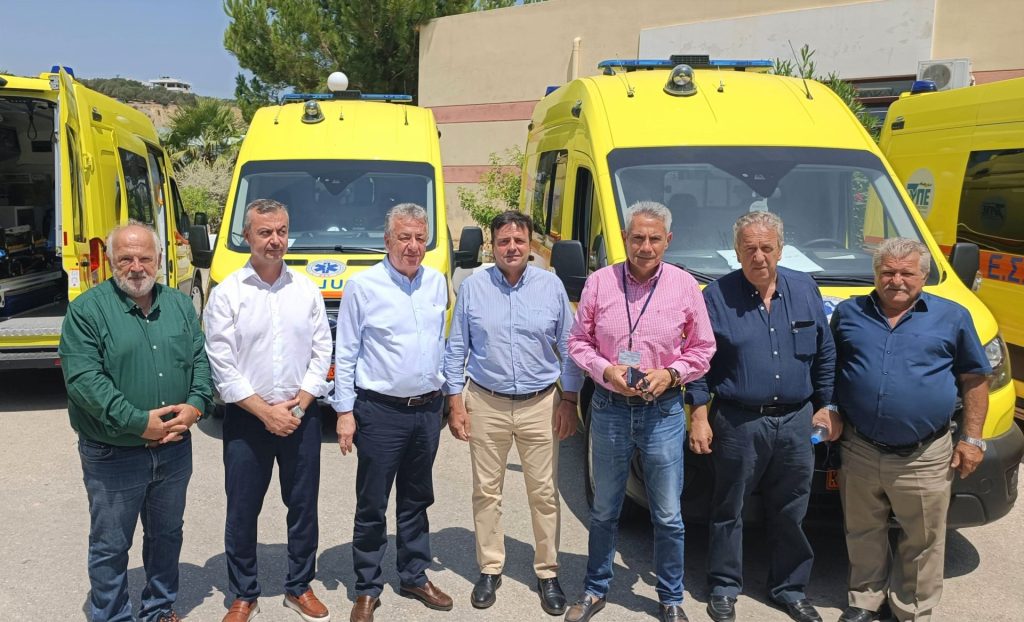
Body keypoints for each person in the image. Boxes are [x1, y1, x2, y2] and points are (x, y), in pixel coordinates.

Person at [565, 201, 716, 622]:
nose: (645, 247)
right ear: (625, 239)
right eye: (637, 238)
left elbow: (703, 348)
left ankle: (670, 597)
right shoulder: (600, 282)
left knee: (668, 515)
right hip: (610, 408)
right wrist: (606, 369)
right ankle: (595, 589)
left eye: (654, 239)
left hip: (662, 412)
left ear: (668, 241)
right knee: (604, 510)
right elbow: (577, 342)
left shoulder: (685, 286)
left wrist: (672, 374)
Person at [685, 212, 838, 622]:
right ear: (736, 252)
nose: (758, 256)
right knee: (728, 508)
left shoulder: (805, 288)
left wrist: (827, 405)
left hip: (796, 422)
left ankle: (790, 588)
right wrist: (698, 414)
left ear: (780, 250)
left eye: (766, 247)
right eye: (749, 248)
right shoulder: (716, 296)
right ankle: (723, 586)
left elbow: (825, 353)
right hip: (738, 422)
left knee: (792, 509)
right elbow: (699, 361)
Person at [59, 221, 212, 622]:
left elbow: (200, 359)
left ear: (159, 259)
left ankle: (158, 608)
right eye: (125, 258)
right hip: (114, 453)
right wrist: (138, 422)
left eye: (145, 257)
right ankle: (111, 615)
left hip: (174, 449)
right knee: (111, 545)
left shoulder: (179, 305)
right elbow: (84, 381)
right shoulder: (86, 311)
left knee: (166, 535)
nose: (136, 267)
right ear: (110, 261)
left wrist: (196, 406)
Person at [831, 238, 990, 622]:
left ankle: (911, 608)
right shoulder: (849, 313)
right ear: (876, 274)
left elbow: (974, 379)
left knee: (923, 539)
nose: (896, 280)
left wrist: (972, 439)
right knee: (862, 530)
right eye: (887, 272)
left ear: (924, 276)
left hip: (925, 453)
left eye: (907, 272)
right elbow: (831, 368)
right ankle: (866, 600)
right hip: (860, 447)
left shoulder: (953, 317)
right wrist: (831, 408)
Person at [444, 211, 583, 615]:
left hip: (541, 404)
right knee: (487, 491)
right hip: (486, 402)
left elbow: (570, 347)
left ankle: (547, 572)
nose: (511, 248)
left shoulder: (550, 286)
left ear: (530, 245)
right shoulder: (473, 288)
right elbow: (456, 348)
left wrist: (570, 401)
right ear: (492, 245)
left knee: (544, 493)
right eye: (503, 241)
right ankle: (490, 568)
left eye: (519, 241)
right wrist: (455, 403)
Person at [204, 199, 333, 622]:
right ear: (247, 237)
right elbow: (222, 365)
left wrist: (302, 402)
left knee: (303, 506)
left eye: (281, 231)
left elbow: (322, 351)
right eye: (265, 232)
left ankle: (299, 586)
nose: (275, 240)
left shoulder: (306, 289)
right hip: (247, 419)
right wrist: (265, 412)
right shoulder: (227, 294)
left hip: (300, 416)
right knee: (242, 509)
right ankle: (244, 594)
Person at [332, 203, 452, 622]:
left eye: (420, 238)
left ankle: (414, 575)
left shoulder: (436, 282)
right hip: (380, 412)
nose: (413, 246)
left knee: (417, 498)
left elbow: (441, 344)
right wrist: (344, 411)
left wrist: (450, 398)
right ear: (387, 241)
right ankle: (367, 587)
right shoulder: (363, 286)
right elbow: (346, 351)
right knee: (372, 503)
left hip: (427, 410)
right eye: (404, 237)